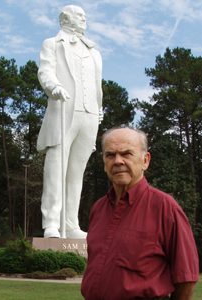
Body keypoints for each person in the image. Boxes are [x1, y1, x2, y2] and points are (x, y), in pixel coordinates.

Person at [81, 127, 199, 300]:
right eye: (110, 155)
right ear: (104, 162)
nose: (118, 161)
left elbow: (186, 278)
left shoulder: (165, 208)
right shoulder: (98, 209)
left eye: (126, 154)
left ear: (145, 160)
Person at [37, 5, 103, 238]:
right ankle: (52, 224)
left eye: (85, 15)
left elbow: (97, 85)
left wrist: (99, 109)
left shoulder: (94, 52)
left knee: (76, 173)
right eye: (80, 15)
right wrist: (53, 87)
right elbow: (45, 71)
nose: (85, 19)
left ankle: (71, 223)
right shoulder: (52, 44)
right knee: (55, 170)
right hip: (63, 111)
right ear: (66, 18)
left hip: (89, 115)